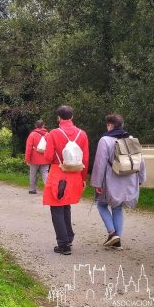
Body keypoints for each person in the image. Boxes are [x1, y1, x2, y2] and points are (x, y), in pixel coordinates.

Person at [90, 114, 146, 250]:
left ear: (110, 125)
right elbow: (141, 161)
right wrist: (141, 178)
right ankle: (117, 242)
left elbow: (99, 163)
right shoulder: (131, 138)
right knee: (117, 207)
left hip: (111, 179)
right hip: (129, 179)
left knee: (101, 205)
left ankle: (112, 233)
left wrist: (97, 183)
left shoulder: (105, 140)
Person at [43, 106, 89, 255]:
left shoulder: (53, 134)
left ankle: (63, 244)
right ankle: (68, 237)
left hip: (59, 173)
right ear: (72, 116)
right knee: (66, 206)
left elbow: (48, 157)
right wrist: (83, 178)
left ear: (58, 118)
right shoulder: (82, 134)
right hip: (75, 174)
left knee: (56, 207)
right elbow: (86, 159)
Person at [25, 120, 50, 194]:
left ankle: (32, 189)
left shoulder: (32, 134)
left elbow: (29, 148)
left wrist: (27, 159)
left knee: (33, 174)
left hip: (34, 158)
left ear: (36, 126)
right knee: (45, 174)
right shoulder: (48, 134)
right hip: (45, 158)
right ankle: (48, 190)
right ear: (43, 125)